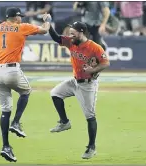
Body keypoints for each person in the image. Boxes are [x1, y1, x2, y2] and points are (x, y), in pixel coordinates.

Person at [0, 7, 50, 162]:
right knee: (26, 91)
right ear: (15, 17)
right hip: (12, 70)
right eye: (20, 16)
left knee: (5, 111)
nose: (21, 18)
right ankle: (16, 122)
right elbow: (44, 31)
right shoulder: (21, 27)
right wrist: (47, 20)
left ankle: (5, 146)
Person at [43, 13, 110, 159]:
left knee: (90, 116)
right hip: (74, 81)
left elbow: (105, 63)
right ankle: (64, 122)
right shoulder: (71, 42)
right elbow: (56, 37)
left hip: (88, 85)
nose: (70, 36)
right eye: (70, 34)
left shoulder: (94, 47)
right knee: (55, 93)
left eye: (73, 34)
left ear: (81, 32)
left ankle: (91, 147)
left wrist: (93, 70)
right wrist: (48, 22)